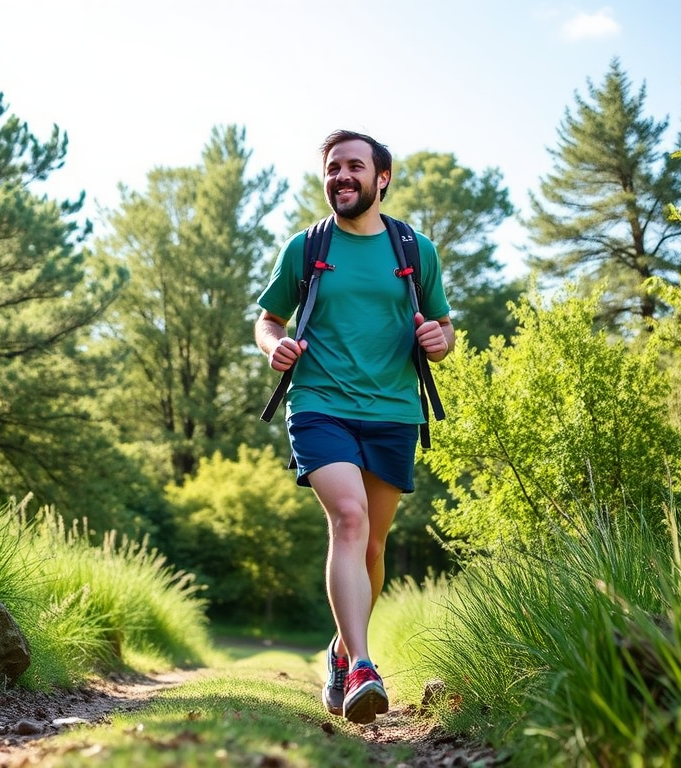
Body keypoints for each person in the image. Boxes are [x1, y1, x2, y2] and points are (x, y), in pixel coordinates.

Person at [254, 129, 455, 725]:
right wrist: (274, 347)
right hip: (319, 403)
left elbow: (444, 330)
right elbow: (267, 318)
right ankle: (365, 666)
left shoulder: (415, 250)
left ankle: (341, 651)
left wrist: (436, 340)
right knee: (348, 518)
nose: (340, 177)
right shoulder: (307, 247)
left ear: (381, 178)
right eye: (332, 168)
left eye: (353, 167)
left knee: (372, 544)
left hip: (394, 410)